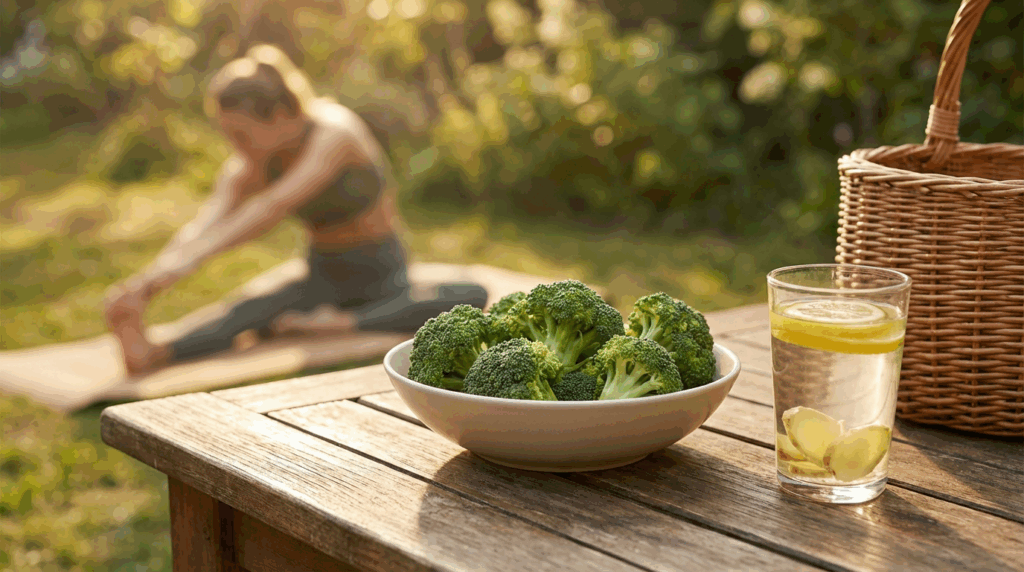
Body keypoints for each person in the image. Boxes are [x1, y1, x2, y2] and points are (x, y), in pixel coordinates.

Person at [103, 44, 486, 375]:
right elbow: (205, 223)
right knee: (246, 308)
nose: (235, 146)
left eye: (240, 134)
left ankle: (341, 323)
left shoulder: (335, 133)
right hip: (321, 274)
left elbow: (272, 207)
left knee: (469, 294)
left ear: (281, 115)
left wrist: (180, 267)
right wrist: (147, 282)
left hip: (382, 272)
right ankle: (155, 351)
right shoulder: (254, 162)